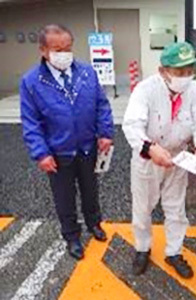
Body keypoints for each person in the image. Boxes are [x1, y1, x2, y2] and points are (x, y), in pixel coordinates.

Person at [20, 24, 114, 260]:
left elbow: (101, 105)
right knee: (64, 197)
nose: (64, 54)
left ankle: (94, 223)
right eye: (57, 49)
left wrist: (105, 133)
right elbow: (30, 122)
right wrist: (41, 153)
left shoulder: (86, 72)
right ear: (43, 50)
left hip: (87, 147)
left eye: (68, 48)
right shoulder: (31, 81)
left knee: (91, 190)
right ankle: (71, 236)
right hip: (57, 152)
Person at [122, 42, 196, 279]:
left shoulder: (193, 89)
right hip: (148, 156)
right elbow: (132, 124)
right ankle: (142, 248)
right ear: (163, 71)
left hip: (178, 157)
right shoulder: (145, 89)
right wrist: (150, 148)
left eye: (189, 71)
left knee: (176, 208)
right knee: (143, 208)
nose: (186, 77)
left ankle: (174, 252)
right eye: (179, 72)